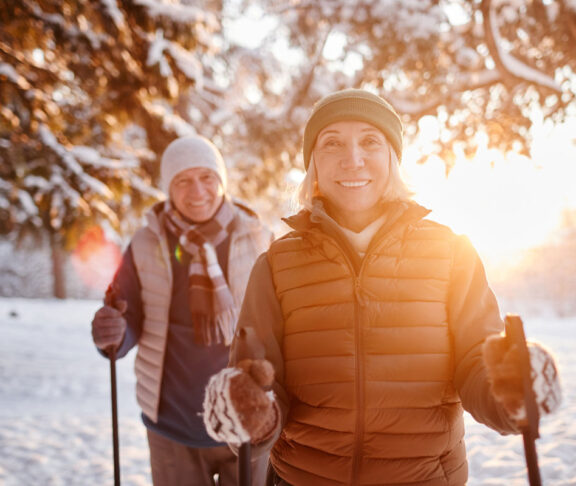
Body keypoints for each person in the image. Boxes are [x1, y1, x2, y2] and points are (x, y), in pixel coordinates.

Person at [202, 89, 562, 486]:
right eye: (332, 143)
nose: (352, 158)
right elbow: (261, 380)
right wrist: (253, 415)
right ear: (313, 165)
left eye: (370, 141)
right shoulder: (275, 265)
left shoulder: (451, 253)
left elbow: (476, 361)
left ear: (393, 156)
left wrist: (511, 392)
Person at [91, 135, 273, 486]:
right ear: (168, 189)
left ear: (221, 181)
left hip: (247, 418)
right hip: (173, 426)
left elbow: (281, 320)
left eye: (207, 178)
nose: (198, 191)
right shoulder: (146, 244)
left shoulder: (257, 236)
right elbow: (128, 318)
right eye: (183, 181)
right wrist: (112, 334)